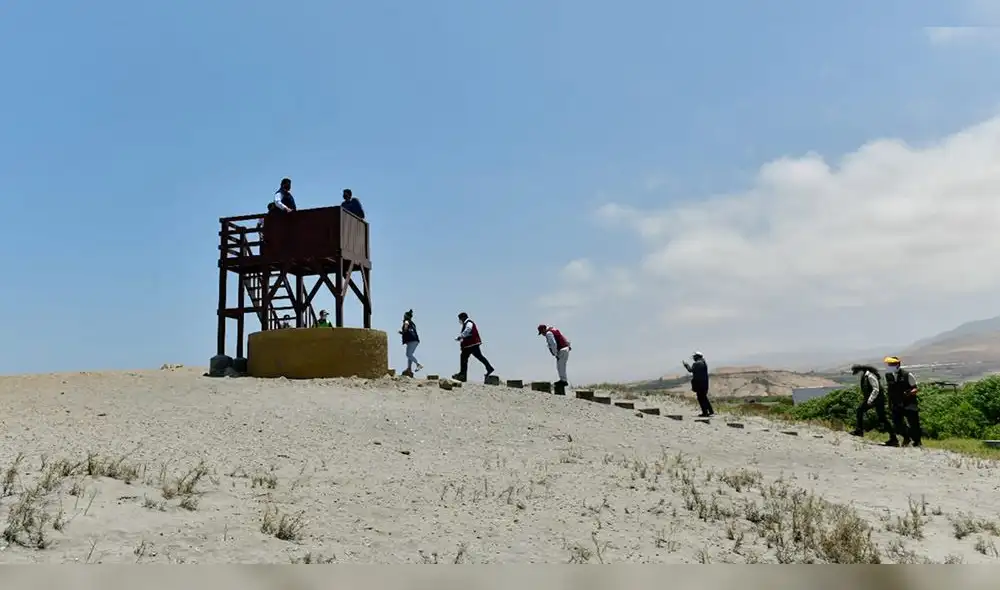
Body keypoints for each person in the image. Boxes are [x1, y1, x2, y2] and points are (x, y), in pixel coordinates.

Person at [884, 356, 922, 447]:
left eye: (892, 364)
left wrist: (909, 393)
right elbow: (889, 390)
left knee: (914, 423)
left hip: (909, 403)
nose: (890, 366)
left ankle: (917, 442)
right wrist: (889, 403)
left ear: (898, 364)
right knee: (897, 424)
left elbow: (915, 388)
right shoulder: (888, 375)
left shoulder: (907, 375)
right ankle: (906, 437)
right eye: (889, 364)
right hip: (896, 403)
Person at [850, 364, 891, 438]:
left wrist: (870, 400)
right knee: (881, 417)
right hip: (876, 399)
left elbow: (876, 389)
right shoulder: (865, 376)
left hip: (877, 399)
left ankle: (859, 431)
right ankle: (893, 438)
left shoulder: (870, 376)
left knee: (860, 411)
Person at [452, 312, 495, 382]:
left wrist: (461, 336)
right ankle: (489, 368)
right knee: (479, 356)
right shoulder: (467, 323)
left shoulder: (469, 323)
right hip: (472, 344)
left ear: (463, 318)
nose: (459, 321)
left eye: (460, 319)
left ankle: (462, 375)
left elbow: (468, 330)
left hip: (471, 344)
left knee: (463, 357)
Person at [682, 352, 714, 417]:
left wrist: (686, 365)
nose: (693, 358)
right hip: (705, 384)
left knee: (700, 398)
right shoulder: (703, 362)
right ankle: (710, 411)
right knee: (704, 397)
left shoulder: (697, 364)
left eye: (694, 357)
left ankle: (705, 413)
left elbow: (690, 370)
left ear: (697, 357)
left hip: (700, 384)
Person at [399, 309, 423, 377]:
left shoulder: (406, 321)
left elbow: (406, 326)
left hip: (412, 340)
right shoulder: (412, 323)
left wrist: (404, 330)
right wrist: (403, 332)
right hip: (414, 340)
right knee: (410, 355)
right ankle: (409, 369)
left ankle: (418, 364)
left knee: (408, 354)